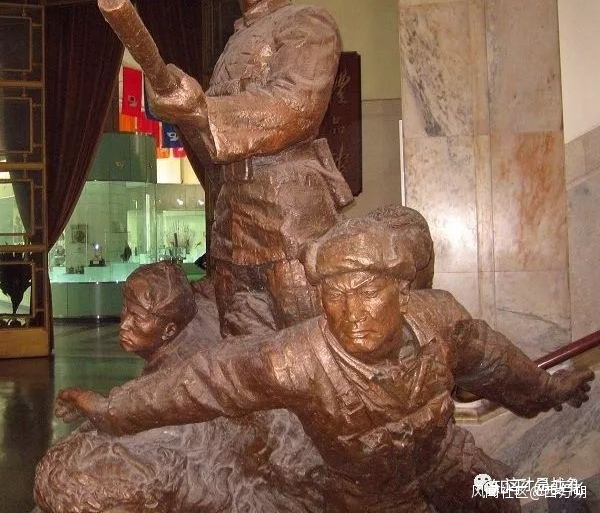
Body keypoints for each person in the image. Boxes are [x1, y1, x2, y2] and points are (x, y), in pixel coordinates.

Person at [54, 216, 594, 512]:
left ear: (403, 292)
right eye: (334, 295)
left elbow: (496, 362)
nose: (350, 314)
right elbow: (198, 383)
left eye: (367, 292)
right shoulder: (294, 361)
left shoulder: (442, 321)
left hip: (447, 461)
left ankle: (577, 492)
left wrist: (550, 390)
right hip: (370, 499)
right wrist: (109, 409)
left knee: (512, 496)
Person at [145, 0, 353, 336]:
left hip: (288, 214)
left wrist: (201, 109)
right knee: (243, 350)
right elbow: (212, 146)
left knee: (306, 340)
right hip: (232, 220)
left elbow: (296, 107)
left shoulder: (307, 22)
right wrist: (180, 111)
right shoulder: (232, 45)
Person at [35, 262, 324, 513]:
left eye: (138, 318)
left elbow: (164, 409)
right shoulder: (195, 313)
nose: (124, 324)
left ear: (169, 330)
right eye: (125, 311)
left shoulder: (185, 373)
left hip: (281, 482)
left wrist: (101, 412)